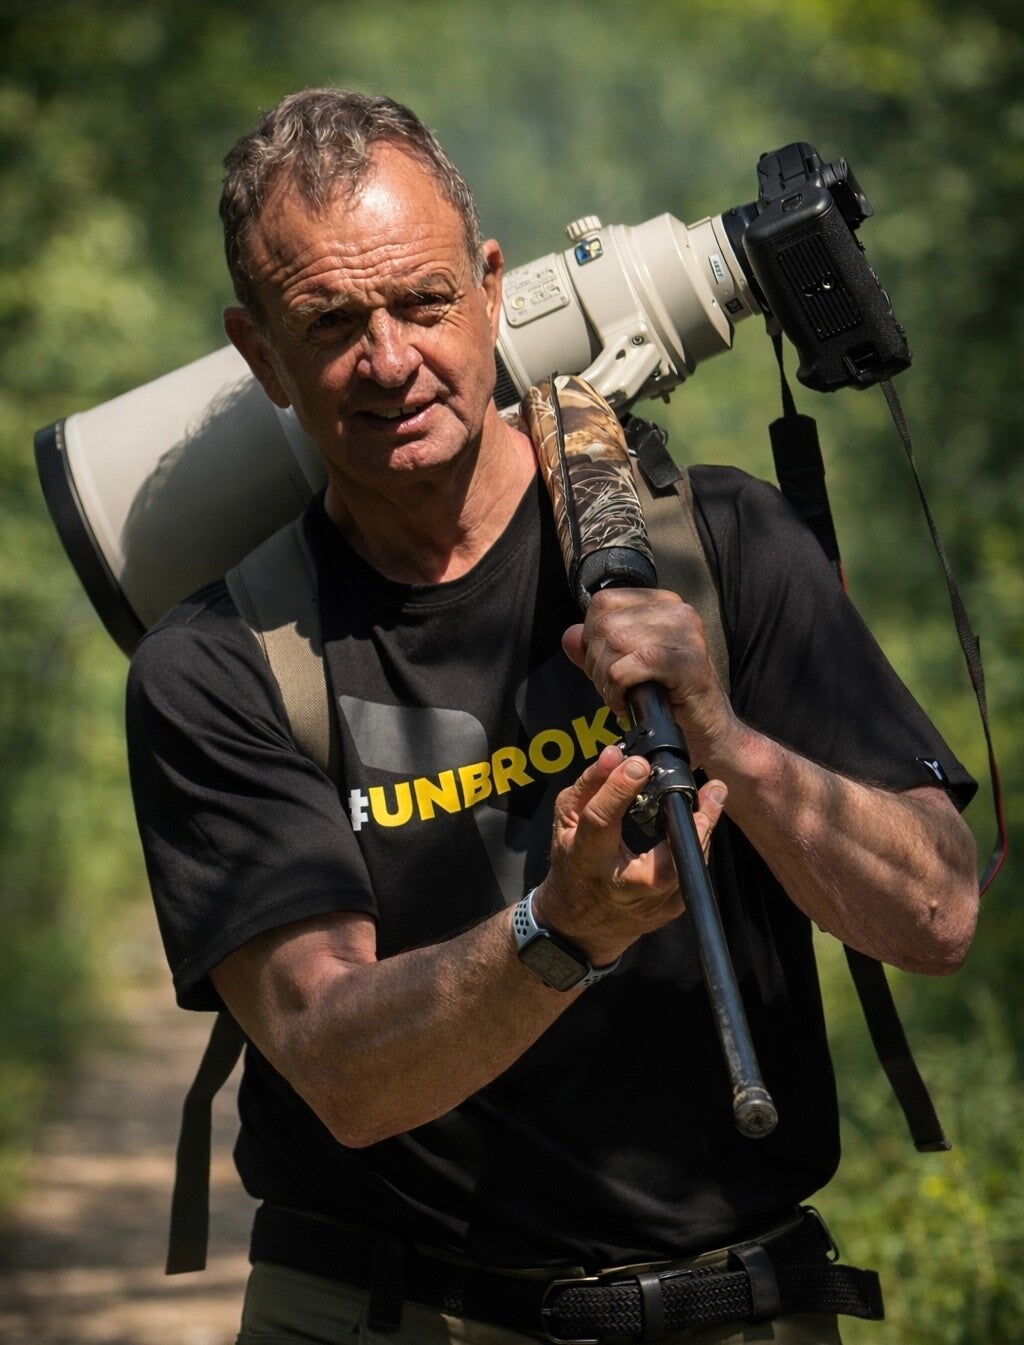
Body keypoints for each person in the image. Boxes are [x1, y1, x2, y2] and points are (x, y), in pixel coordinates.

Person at [125, 88, 980, 1345]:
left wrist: (723, 735)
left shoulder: (723, 547)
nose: (391, 361)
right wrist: (564, 930)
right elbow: (343, 1070)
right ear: (260, 356)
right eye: (331, 323)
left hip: (731, 1304)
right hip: (379, 1312)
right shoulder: (221, 666)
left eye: (423, 301)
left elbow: (937, 915)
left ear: (490, 287)